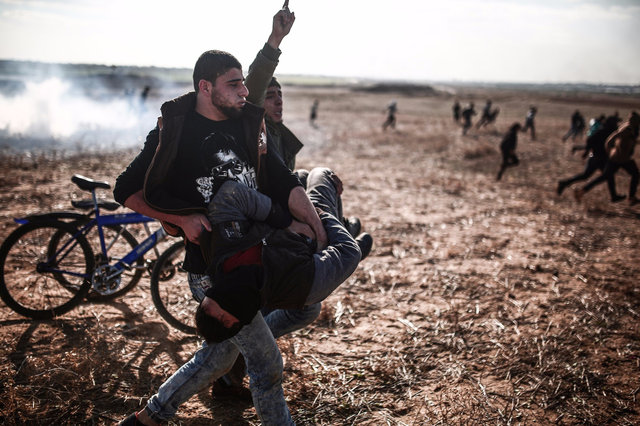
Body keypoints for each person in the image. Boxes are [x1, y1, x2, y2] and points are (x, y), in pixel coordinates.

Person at [115, 6, 320, 426]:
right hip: (212, 268)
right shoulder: (174, 133)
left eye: (245, 82)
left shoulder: (245, 127)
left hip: (255, 257)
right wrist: (184, 221)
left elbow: (284, 182)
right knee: (266, 364)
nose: (246, 91)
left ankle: (151, 416)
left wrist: (315, 227)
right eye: (235, 84)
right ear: (206, 87)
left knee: (220, 355)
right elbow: (125, 189)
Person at [197, 167, 372, 343]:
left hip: (282, 216)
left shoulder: (222, 252)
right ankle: (340, 232)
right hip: (315, 240)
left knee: (301, 176)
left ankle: (341, 228)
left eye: (216, 293)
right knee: (321, 174)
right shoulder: (298, 287)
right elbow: (349, 252)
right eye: (227, 302)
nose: (226, 291)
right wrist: (317, 216)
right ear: (237, 320)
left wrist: (285, 220)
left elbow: (230, 194)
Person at [574, 111, 640, 206]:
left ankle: (581, 191)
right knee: (635, 174)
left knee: (604, 177)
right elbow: (611, 139)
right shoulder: (627, 129)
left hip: (620, 158)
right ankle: (631, 197)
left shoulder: (630, 128)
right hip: (619, 158)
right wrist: (609, 150)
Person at [557, 114, 621, 197]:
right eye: (616, 123)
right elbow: (590, 142)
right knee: (608, 176)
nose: (617, 125)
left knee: (586, 175)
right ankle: (613, 196)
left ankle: (564, 183)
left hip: (595, 157)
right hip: (599, 158)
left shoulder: (604, 131)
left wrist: (586, 151)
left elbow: (590, 142)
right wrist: (586, 150)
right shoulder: (605, 132)